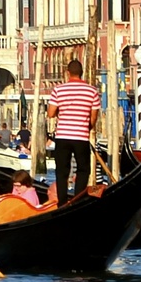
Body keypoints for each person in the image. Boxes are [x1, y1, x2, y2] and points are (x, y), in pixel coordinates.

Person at [46, 58, 101, 206]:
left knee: (62, 171)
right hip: (81, 137)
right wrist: (86, 128)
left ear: (68, 73)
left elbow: (50, 113)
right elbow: (93, 117)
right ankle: (78, 201)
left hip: (62, 136)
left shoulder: (58, 90)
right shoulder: (92, 91)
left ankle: (62, 203)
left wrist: (61, 111)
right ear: (82, 73)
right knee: (83, 170)